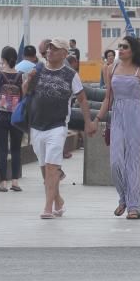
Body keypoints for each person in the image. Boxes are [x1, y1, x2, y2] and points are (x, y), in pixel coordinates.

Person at [23, 38, 97, 219]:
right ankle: (58, 200)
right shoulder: (39, 69)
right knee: (44, 169)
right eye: (49, 48)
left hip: (57, 125)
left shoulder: (70, 75)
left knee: (51, 167)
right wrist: (29, 79)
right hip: (37, 125)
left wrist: (88, 122)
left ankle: (48, 207)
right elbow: (25, 91)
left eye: (55, 49)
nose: (50, 51)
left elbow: (82, 99)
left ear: (64, 53)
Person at [95, 35, 140, 220]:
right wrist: (96, 119)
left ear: (133, 50)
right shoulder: (111, 69)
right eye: (119, 46)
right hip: (117, 115)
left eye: (124, 46)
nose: (120, 49)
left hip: (136, 116)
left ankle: (134, 206)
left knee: (133, 163)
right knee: (116, 162)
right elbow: (108, 98)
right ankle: (123, 198)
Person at [0, 46, 24, 193]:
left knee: (2, 150)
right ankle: (15, 182)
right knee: (16, 150)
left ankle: (3, 184)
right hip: (16, 117)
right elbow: (24, 96)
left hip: (0, 116)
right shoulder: (22, 76)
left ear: (3, 59)